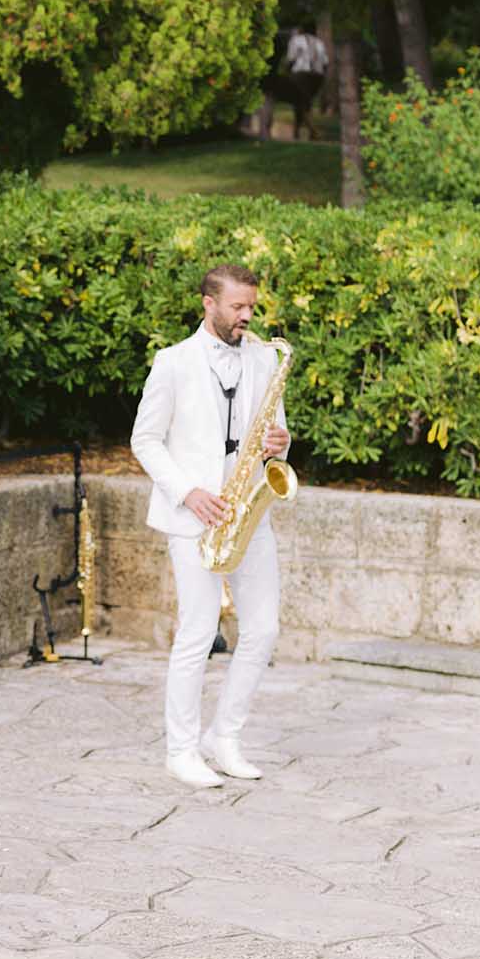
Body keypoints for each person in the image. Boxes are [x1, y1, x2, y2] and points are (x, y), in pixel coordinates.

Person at [130, 266, 291, 789]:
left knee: (263, 628)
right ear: (209, 304)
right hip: (194, 514)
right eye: (237, 307)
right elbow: (145, 440)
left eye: (251, 306)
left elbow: (276, 430)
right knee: (198, 631)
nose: (247, 316)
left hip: (249, 508)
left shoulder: (265, 358)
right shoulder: (172, 363)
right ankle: (180, 749)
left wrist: (279, 444)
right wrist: (188, 493)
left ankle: (225, 737)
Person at [285, 20, 328, 140]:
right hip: (317, 77)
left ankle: (311, 131)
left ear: (302, 29)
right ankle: (300, 131)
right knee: (306, 103)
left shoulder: (296, 40)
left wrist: (286, 72)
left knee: (299, 103)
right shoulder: (320, 43)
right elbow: (325, 63)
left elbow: (291, 59)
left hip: (301, 75)